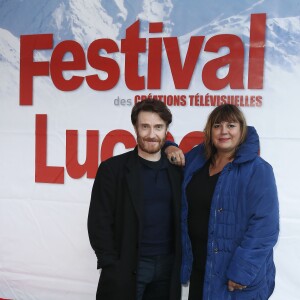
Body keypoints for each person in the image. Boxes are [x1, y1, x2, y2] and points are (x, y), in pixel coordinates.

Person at [165, 104, 279, 299]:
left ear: (241, 130)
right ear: (210, 131)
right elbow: (166, 156)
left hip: (235, 278)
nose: (224, 131)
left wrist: (241, 272)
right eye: (217, 125)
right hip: (201, 269)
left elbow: (265, 228)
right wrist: (169, 147)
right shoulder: (197, 160)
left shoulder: (258, 170)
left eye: (231, 125)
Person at [88, 99, 182, 300]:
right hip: (128, 266)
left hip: (167, 268)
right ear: (135, 128)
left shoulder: (177, 171)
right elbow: (98, 222)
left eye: (158, 127)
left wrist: (171, 147)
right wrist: (111, 264)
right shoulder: (112, 170)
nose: (151, 134)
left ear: (166, 130)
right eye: (145, 127)